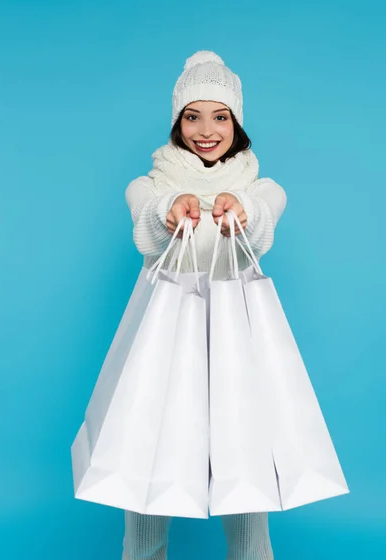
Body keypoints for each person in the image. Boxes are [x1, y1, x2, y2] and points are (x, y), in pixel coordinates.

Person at [123, 50, 287, 560]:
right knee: (150, 454)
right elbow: (146, 226)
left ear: (237, 123)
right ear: (177, 123)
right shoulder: (148, 185)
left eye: (221, 116)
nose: (206, 130)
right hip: (165, 344)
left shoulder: (263, 189)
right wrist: (169, 212)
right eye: (192, 116)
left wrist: (243, 212)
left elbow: (261, 224)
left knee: (245, 456)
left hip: (236, 345)